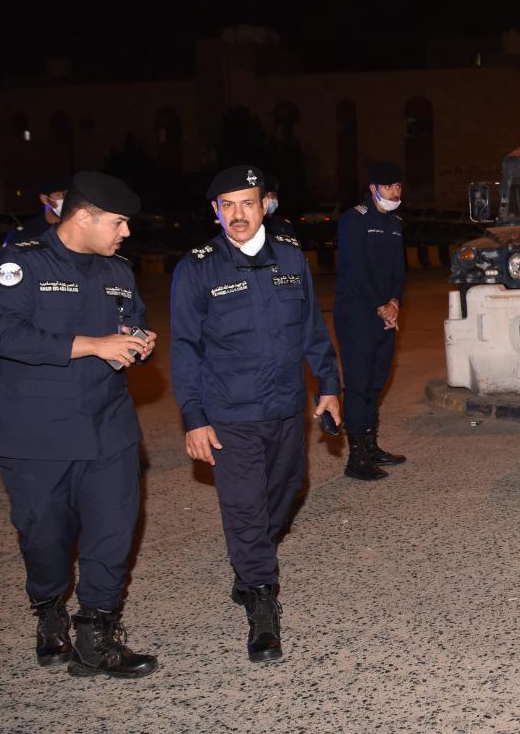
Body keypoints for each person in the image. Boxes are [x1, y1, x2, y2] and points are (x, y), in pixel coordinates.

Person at [0, 171, 160, 678]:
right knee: (44, 537)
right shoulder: (19, 265)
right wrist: (95, 344)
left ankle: (95, 636)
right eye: (118, 222)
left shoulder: (118, 270)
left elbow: (132, 320)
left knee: (113, 534)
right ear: (83, 217)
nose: (126, 232)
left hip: (109, 426)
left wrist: (138, 340)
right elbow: (10, 336)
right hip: (38, 433)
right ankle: (49, 609)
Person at [172, 165, 342, 663]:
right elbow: (184, 348)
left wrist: (329, 385)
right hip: (230, 413)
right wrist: (193, 416)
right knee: (245, 507)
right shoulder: (198, 267)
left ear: (265, 204)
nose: (237, 214)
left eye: (247, 203)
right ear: (215, 211)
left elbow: (312, 329)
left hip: (286, 407)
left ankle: (250, 559)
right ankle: (262, 605)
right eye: (227, 205)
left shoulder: (290, 257)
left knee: (286, 493)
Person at [334, 160, 407, 481]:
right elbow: (355, 268)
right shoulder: (354, 220)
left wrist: (395, 302)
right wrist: (380, 304)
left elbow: (398, 270)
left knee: (377, 381)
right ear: (373, 188)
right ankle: (356, 457)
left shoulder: (395, 223)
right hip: (357, 314)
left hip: (385, 314)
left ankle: (371, 446)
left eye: (398, 186)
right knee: (358, 384)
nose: (395, 192)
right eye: (389, 186)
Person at [2, 177, 67, 247]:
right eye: (59, 195)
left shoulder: (73, 228)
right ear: (44, 199)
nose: (66, 200)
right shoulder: (26, 234)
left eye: (68, 195)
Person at [262, 174, 297, 240]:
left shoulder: (284, 225)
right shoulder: (252, 225)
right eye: (267, 195)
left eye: (273, 195)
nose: (272, 199)